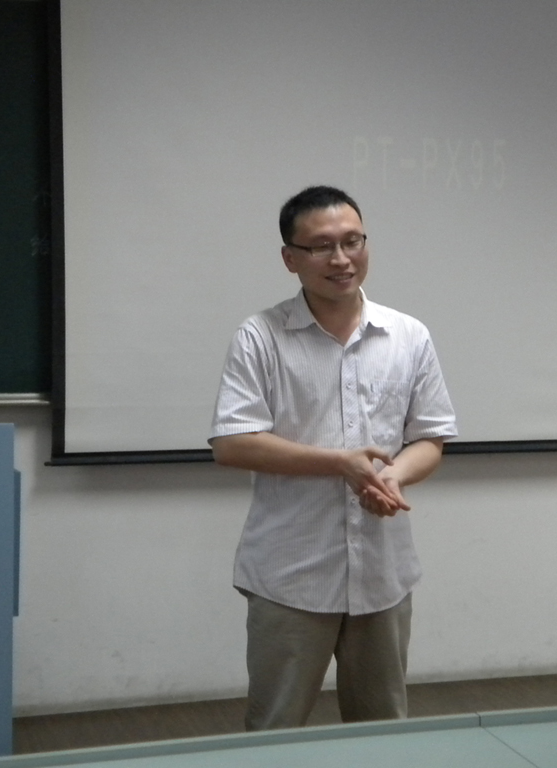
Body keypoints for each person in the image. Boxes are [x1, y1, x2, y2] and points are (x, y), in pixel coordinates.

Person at [209, 185, 457, 730]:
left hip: (382, 573)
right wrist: (340, 463)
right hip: (290, 575)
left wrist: (392, 477)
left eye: (353, 241)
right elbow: (233, 442)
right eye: (322, 246)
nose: (341, 259)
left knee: (382, 729)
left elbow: (430, 438)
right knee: (274, 729)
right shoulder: (260, 337)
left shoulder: (408, 335)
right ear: (290, 258)